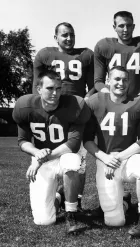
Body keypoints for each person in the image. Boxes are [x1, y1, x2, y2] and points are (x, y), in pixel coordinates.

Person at [13, 70, 91, 234]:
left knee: (72, 161)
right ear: (38, 88)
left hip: (64, 154)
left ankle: (71, 212)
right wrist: (36, 152)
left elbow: (74, 144)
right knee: (43, 221)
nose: (55, 93)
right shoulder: (25, 106)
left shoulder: (75, 105)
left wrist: (40, 158)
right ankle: (59, 197)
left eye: (58, 88)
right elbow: (22, 141)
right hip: (44, 159)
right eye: (50, 88)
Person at [84, 66, 140, 238]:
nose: (120, 83)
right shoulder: (95, 101)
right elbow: (87, 140)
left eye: (124, 79)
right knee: (114, 222)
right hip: (105, 159)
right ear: (108, 80)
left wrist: (118, 157)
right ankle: (124, 203)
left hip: (129, 157)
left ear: (129, 82)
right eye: (116, 79)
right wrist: (106, 158)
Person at [32, 22, 95, 211]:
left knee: (79, 160)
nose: (69, 38)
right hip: (53, 113)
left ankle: (76, 200)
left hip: (75, 111)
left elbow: (93, 85)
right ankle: (54, 195)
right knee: (49, 154)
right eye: (64, 35)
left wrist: (84, 100)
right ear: (56, 37)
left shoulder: (86, 55)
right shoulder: (44, 55)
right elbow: (37, 85)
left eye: (72, 35)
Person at [94, 11, 140, 98]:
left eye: (129, 25)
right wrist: (112, 98)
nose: (125, 29)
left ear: (133, 27)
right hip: (112, 102)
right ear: (114, 27)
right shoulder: (103, 46)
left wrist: (139, 99)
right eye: (121, 26)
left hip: (136, 100)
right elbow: (98, 81)